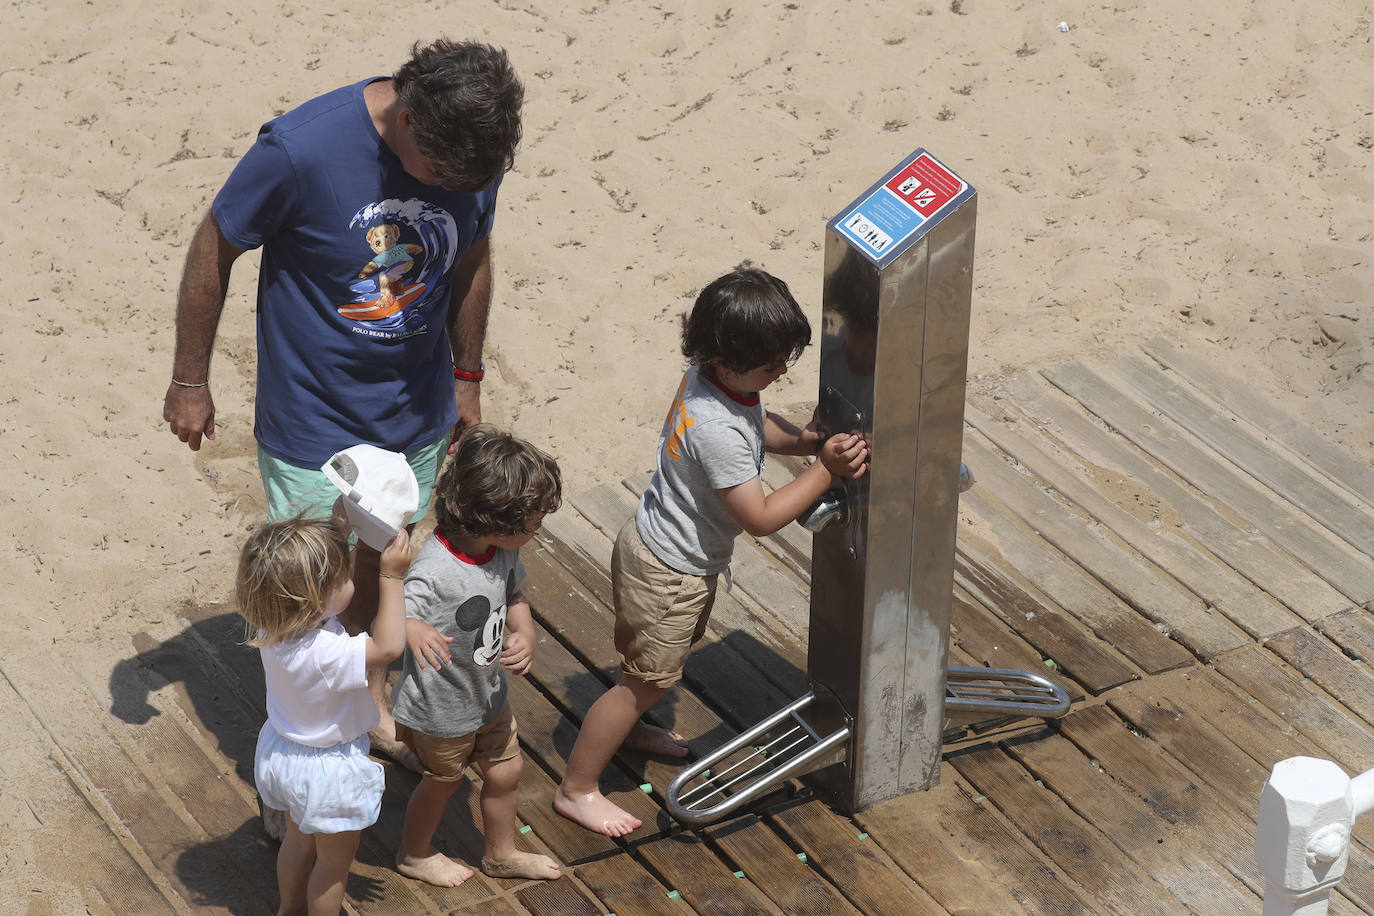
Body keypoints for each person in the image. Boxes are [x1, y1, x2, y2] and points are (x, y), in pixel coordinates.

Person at [161, 39, 525, 773]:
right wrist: (190, 379)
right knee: (305, 596)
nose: (459, 187)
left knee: (380, 565)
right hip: (311, 422)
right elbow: (215, 243)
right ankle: (290, 754)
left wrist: (467, 374)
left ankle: (371, 704)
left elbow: (474, 256)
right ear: (409, 118)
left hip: (416, 411)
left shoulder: (469, 155)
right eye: (443, 175)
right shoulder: (300, 150)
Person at [553, 265, 871, 836]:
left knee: (648, 667)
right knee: (643, 682)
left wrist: (799, 441)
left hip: (652, 544)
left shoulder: (713, 380)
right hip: (672, 572)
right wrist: (822, 469)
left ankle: (627, 729)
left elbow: (756, 420)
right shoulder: (715, 429)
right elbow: (762, 518)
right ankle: (577, 789)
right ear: (727, 360)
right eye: (772, 366)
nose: (778, 375)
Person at [390, 425, 564, 886]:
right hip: (440, 706)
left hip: (488, 695)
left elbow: (515, 593)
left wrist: (523, 629)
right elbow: (389, 617)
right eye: (533, 524)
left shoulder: (498, 551)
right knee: (442, 783)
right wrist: (412, 626)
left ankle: (500, 853)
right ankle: (414, 854)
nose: (538, 530)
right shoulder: (434, 570)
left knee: (507, 771)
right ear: (492, 522)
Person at [234, 514, 412, 914]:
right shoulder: (326, 654)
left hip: (288, 753)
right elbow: (387, 648)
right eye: (343, 576)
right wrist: (392, 577)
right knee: (333, 865)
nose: (351, 574)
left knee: (299, 844)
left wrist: (341, 528)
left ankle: (288, 909)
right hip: (328, 770)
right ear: (315, 599)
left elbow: (322, 590)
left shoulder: (272, 627)